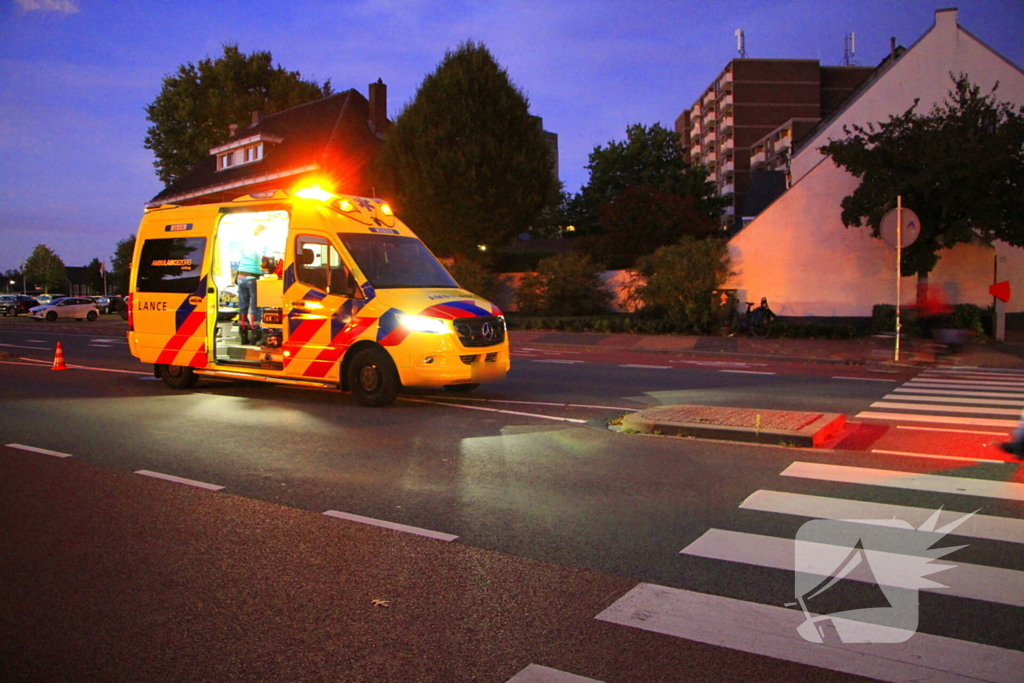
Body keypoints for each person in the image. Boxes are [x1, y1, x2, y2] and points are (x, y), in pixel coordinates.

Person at [236, 224, 274, 346]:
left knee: (242, 307)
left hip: (241, 276)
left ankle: (243, 334)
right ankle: (256, 335)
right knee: (255, 307)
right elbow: (262, 261)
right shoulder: (262, 242)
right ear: (263, 232)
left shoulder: (247, 242)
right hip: (253, 276)